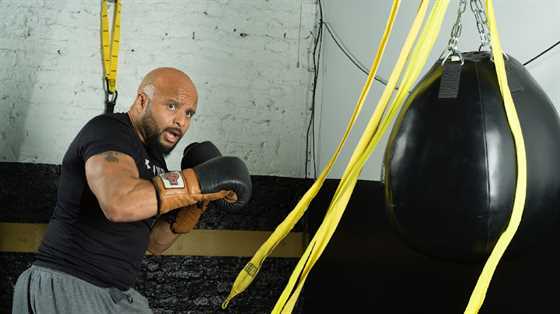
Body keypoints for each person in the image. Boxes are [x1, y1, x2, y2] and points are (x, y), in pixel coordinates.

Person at [11, 67, 252, 313]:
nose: (181, 121)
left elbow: (155, 243)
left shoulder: (156, 160)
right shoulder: (109, 131)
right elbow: (119, 203)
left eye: (189, 113)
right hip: (69, 283)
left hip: (116, 294)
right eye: (172, 106)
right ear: (142, 100)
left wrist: (194, 205)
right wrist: (195, 181)